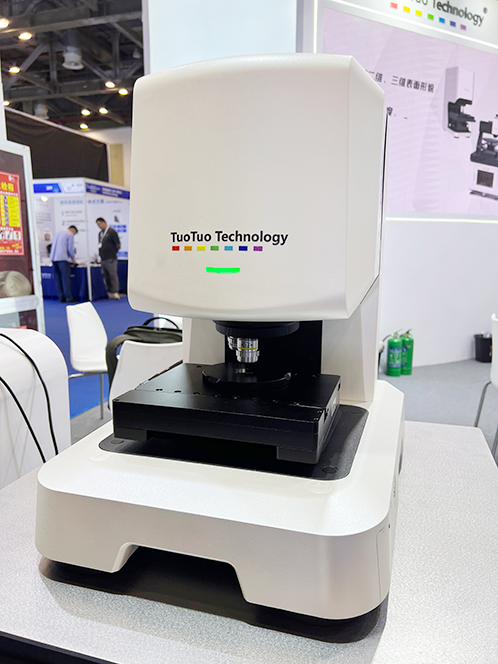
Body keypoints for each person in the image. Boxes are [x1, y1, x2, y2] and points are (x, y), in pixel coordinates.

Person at [49, 225, 78, 303]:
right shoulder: (70, 234)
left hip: (53, 258)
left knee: (57, 279)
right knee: (65, 278)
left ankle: (61, 297)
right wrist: (73, 259)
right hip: (62, 258)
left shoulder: (57, 233)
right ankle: (68, 297)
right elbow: (70, 248)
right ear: (73, 230)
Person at [96, 217, 121, 300]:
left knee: (112, 275)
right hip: (103, 258)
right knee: (106, 276)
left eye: (99, 224)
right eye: (97, 225)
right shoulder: (100, 233)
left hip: (111, 258)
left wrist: (113, 252)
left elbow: (118, 244)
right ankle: (109, 291)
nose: (99, 226)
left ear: (104, 222)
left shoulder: (112, 232)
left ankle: (115, 291)